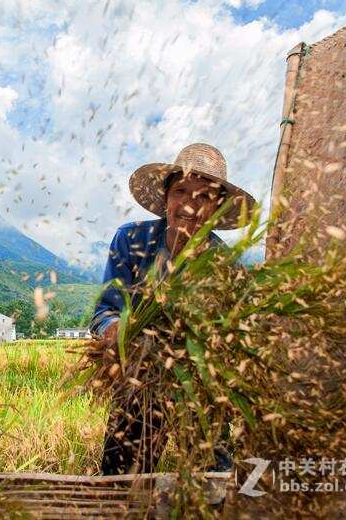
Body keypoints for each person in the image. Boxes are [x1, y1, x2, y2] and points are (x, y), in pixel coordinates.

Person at [90, 143, 255, 475]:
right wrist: (117, 331)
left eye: (204, 196)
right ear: (166, 198)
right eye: (181, 191)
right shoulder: (131, 241)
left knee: (213, 478)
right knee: (122, 479)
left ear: (217, 209)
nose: (189, 205)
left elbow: (233, 339)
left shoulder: (226, 267)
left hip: (199, 388)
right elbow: (104, 310)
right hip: (140, 380)